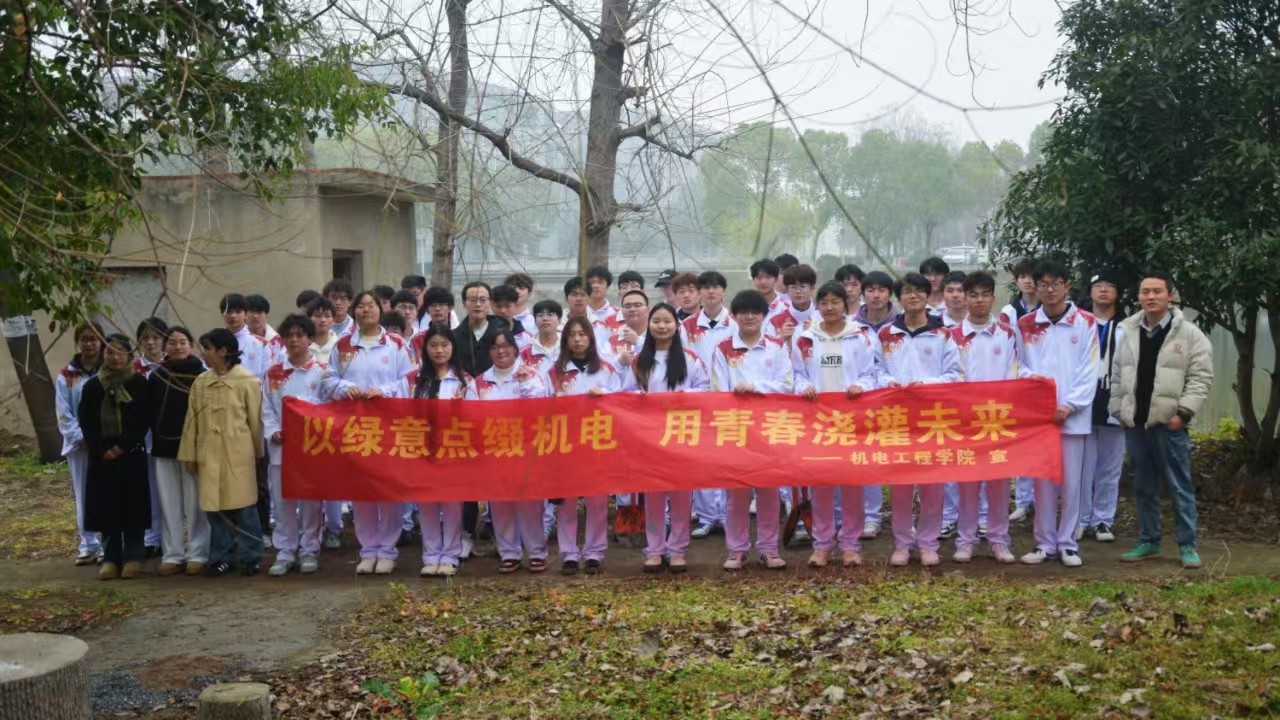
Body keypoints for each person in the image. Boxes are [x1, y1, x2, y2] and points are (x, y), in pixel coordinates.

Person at [1111, 273, 1213, 570]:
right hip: (1136, 424)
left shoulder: (1189, 334)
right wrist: (1118, 410)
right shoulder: (1129, 330)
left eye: (1157, 291)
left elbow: (1201, 377)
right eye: (1145, 292)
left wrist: (1184, 413)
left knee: (1179, 486)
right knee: (1144, 485)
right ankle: (1149, 540)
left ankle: (1187, 545)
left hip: (1169, 424)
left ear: (1171, 296)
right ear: (1138, 297)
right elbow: (1117, 373)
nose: (1151, 297)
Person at [322, 291, 415, 574]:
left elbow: (411, 379)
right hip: (356, 427)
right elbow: (328, 380)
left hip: (388, 427)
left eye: (371, 305)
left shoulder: (395, 343)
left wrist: (385, 391)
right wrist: (344, 388)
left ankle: (387, 550)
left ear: (380, 309)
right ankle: (368, 550)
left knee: (387, 490)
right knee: (361, 491)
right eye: (361, 306)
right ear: (354, 311)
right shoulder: (343, 345)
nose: (366, 310)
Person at [1015, 260, 1098, 568]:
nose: (1049, 290)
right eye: (1043, 284)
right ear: (1035, 288)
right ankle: (1044, 543)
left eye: (1056, 283)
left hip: (1073, 417)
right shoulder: (1026, 324)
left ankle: (1068, 544)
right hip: (1040, 419)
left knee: (1072, 484)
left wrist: (1071, 405)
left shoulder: (1085, 322)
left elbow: (1090, 369)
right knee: (1042, 483)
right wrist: (1036, 394)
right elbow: (1019, 365)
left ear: (1067, 286)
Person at [792, 282, 882, 568]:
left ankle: (850, 545)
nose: (829, 307)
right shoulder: (805, 338)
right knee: (821, 486)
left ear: (846, 304)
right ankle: (822, 545)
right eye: (824, 302)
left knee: (852, 485)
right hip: (817, 422)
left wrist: (861, 386)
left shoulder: (861, 337)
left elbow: (872, 373)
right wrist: (804, 387)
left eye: (835, 302)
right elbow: (795, 374)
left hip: (852, 421)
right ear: (818, 305)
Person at [877, 272, 960, 567]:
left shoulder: (943, 334)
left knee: (931, 483)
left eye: (918, 291)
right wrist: (888, 382)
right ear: (899, 298)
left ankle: (928, 543)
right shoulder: (886, 334)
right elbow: (875, 370)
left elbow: (954, 374)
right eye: (906, 292)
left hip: (932, 418)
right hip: (897, 417)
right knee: (900, 483)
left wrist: (926, 385)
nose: (913, 296)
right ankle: (902, 543)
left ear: (928, 295)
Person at [623, 303, 711, 573]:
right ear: (649, 325)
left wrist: (685, 397)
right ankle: (655, 549)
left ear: (676, 325)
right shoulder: (639, 361)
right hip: (649, 438)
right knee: (654, 496)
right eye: (657, 321)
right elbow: (625, 394)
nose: (662, 326)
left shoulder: (690, 359)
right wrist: (639, 398)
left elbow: (706, 390)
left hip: (681, 435)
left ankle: (678, 550)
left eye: (667, 321)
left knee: (682, 495)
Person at [711, 290, 794, 571]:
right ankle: (736, 550)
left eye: (755, 312)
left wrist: (755, 387)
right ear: (734, 316)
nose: (749, 317)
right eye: (743, 312)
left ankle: (769, 549)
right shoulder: (723, 348)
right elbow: (718, 390)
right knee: (736, 494)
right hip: (735, 429)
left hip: (769, 428)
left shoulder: (776, 347)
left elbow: (786, 384)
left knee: (769, 492)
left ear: (764, 316)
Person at [179, 329, 265, 576]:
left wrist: (258, 452)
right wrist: (191, 455)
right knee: (215, 510)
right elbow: (191, 421)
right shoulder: (201, 382)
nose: (203, 354)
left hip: (239, 454)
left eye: (207, 348)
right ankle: (220, 557)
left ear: (223, 351)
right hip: (209, 454)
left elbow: (255, 420)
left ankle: (251, 557)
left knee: (245, 509)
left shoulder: (247, 380)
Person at [464, 327, 550, 573]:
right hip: (495, 450)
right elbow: (471, 416)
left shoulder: (532, 374)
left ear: (514, 348)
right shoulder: (479, 382)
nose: (501, 351)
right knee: (500, 504)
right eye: (494, 347)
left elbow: (540, 406)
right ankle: (509, 553)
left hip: (525, 450)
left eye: (505, 346)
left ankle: (536, 552)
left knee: (529, 504)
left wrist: (525, 383)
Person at [548, 316, 625, 575]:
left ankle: (594, 552)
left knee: (597, 500)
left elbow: (620, 400)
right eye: (572, 335)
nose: (577, 339)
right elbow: (541, 402)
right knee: (566, 501)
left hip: (597, 441)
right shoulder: (554, 371)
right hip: (565, 442)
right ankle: (569, 553)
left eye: (582, 334)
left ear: (591, 338)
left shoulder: (606, 368)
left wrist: (604, 397)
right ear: (565, 339)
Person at [949, 272, 1016, 564]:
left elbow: (1014, 373)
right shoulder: (951, 336)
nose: (979, 300)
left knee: (998, 483)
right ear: (965, 298)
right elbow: (951, 376)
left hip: (997, 420)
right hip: (965, 422)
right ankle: (966, 540)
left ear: (993, 298)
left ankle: (999, 540)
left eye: (985, 295)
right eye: (973, 295)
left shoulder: (1007, 334)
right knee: (967, 484)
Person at [79, 335, 152, 580]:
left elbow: (142, 420)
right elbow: (86, 422)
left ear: (130, 355)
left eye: (120, 351)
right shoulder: (93, 386)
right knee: (107, 507)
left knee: (133, 506)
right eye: (110, 352)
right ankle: (111, 558)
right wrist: (102, 450)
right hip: (102, 456)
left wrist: (122, 447)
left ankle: (134, 556)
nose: (115, 357)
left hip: (131, 453)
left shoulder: (139, 384)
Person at [402, 323, 470, 577]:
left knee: (452, 505)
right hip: (422, 449)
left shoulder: (465, 381)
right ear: (425, 349)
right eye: (433, 345)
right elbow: (395, 404)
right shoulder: (413, 380)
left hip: (453, 450)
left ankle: (450, 555)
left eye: (444, 345)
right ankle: (430, 555)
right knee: (427, 504)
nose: (439, 350)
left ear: (453, 347)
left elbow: (479, 415)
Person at [262, 314, 328, 577]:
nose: (293, 340)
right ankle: (285, 550)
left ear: (310, 339)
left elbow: (328, 409)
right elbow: (267, 408)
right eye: (288, 335)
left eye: (300, 335)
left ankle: (309, 549)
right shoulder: (273, 374)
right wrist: (274, 432)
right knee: (282, 502)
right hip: (282, 449)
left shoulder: (322, 372)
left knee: (311, 501)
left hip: (311, 450)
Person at [147, 326, 211, 576]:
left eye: (183, 342)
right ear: (165, 347)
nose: (178, 347)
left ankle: (198, 553)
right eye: (172, 342)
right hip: (164, 447)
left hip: (193, 449)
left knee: (195, 504)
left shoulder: (202, 376)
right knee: (169, 502)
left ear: (191, 345)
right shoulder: (157, 376)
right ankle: (173, 554)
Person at [682, 271, 735, 539]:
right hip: (698, 399)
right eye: (706, 288)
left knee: (726, 459)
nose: (711, 292)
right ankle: (705, 517)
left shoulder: (735, 322)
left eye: (716, 287)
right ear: (699, 293)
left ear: (723, 291)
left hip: (729, 400)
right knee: (701, 459)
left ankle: (726, 515)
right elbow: (682, 360)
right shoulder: (687, 326)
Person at [851, 270, 898, 539]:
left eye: (882, 290)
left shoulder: (900, 326)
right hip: (861, 403)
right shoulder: (851, 327)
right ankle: (867, 516)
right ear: (862, 293)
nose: (876, 295)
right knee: (863, 458)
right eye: (871, 290)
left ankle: (902, 518)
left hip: (895, 403)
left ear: (890, 294)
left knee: (902, 460)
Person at [1080, 270, 1125, 544]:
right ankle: (1081, 519)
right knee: (1082, 467)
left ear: (1118, 293)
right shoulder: (1080, 323)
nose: (1104, 290)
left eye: (1109, 285)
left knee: (1110, 467)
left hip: (1114, 401)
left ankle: (1103, 520)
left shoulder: (1128, 326)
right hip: (1084, 401)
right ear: (1090, 292)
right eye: (1098, 286)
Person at [57, 321, 104, 565]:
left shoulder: (109, 370)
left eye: (94, 339)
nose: (89, 344)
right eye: (84, 339)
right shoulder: (67, 374)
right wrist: (80, 437)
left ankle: (108, 543)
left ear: (101, 342)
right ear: (78, 342)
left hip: (106, 444)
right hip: (80, 447)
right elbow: (63, 412)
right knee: (83, 494)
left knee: (106, 493)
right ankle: (88, 544)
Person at [1001, 257, 1040, 523]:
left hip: (1045, 382)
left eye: (1032, 276)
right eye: (1023, 276)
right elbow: (1007, 346)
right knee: (1023, 443)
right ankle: (1023, 501)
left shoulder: (1050, 309)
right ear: (1016, 281)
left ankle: (1044, 500)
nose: (1028, 281)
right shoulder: (1009, 311)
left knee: (1044, 442)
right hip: (1019, 383)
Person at [936, 270, 969, 541]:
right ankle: (947, 517)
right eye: (951, 290)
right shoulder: (934, 326)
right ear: (942, 294)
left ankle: (979, 518)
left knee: (976, 461)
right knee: (946, 463)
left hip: (976, 405)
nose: (956, 296)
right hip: (943, 406)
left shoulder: (986, 325)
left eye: (961, 290)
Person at [134, 317, 168, 556]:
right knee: (147, 489)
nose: (151, 342)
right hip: (141, 439)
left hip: (168, 438)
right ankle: (151, 537)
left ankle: (171, 539)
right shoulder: (133, 369)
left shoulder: (175, 365)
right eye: (145, 338)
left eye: (156, 337)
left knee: (169, 490)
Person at [453, 281, 510, 378]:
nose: (478, 304)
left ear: (490, 302)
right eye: (472, 300)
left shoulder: (504, 334)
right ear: (464, 303)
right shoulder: (454, 336)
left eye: (483, 300)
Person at [220, 293, 274, 379]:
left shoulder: (262, 344)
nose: (233, 316)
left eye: (238, 312)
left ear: (245, 314)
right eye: (229, 312)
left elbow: (267, 377)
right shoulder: (213, 343)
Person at [767, 264, 817, 345]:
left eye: (802, 286)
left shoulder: (824, 318)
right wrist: (780, 340)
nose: (798, 291)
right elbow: (766, 351)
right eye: (793, 287)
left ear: (812, 289)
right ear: (787, 290)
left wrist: (818, 335)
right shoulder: (775, 322)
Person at [519, 299, 563, 375]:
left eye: (550, 315)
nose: (545, 318)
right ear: (535, 321)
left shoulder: (569, 347)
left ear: (559, 320)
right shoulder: (525, 352)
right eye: (540, 315)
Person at [306, 297, 339, 367]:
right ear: (309, 319)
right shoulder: (301, 346)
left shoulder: (339, 346)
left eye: (327, 316)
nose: (323, 320)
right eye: (317, 316)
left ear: (334, 320)